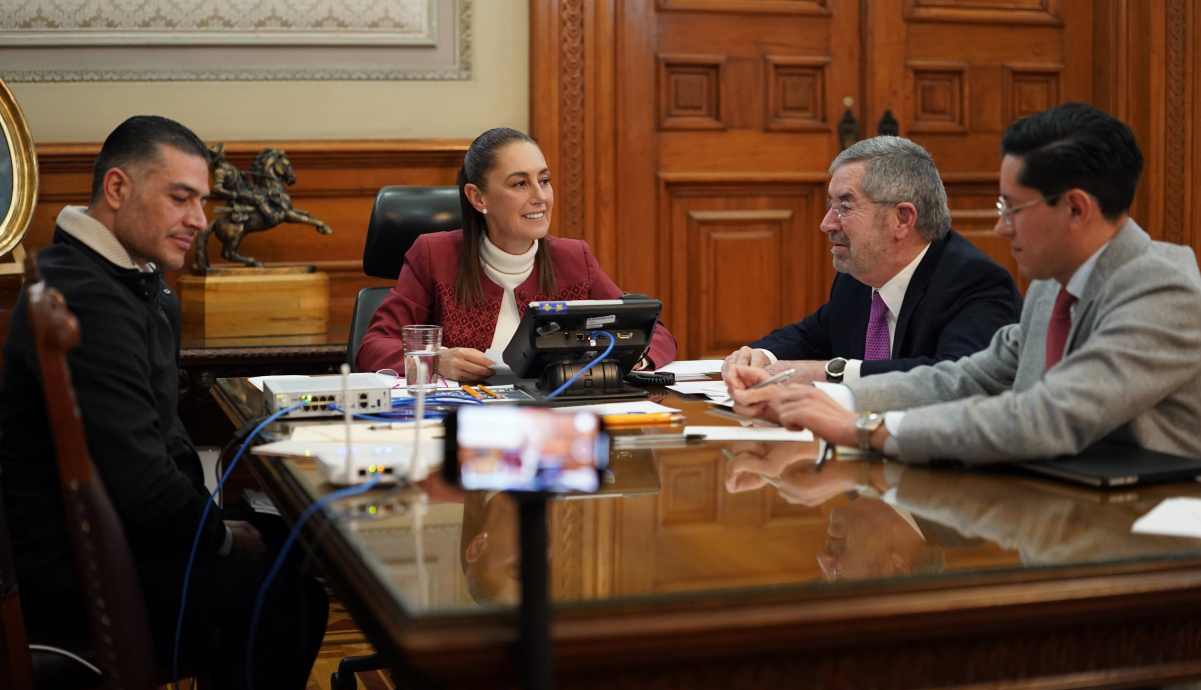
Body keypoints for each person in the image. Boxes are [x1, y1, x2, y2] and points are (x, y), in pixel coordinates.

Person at [0, 116, 326, 690]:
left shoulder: (116, 279)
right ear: (118, 189)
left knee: (288, 552)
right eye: (181, 197)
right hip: (77, 584)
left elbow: (156, 452)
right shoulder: (90, 297)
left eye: (202, 200)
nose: (201, 219)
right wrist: (223, 538)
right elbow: (141, 484)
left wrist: (221, 529)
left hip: (107, 549)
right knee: (285, 594)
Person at [728, 103, 1201, 465]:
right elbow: (968, 377)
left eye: (1013, 210)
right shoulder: (1050, 287)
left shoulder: (1162, 289)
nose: (1001, 229)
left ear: (1076, 209)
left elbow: (1048, 415)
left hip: (1142, 540)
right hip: (1053, 510)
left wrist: (866, 429)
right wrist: (821, 400)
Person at [357, 127, 677, 381]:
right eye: (520, 184)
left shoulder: (573, 258)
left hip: (555, 425)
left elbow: (653, 334)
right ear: (478, 197)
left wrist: (636, 357)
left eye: (544, 180)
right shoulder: (434, 255)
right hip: (463, 425)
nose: (541, 197)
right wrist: (434, 361)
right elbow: (373, 347)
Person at [723, 136, 1020, 385]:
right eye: (831, 206)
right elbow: (811, 335)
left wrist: (830, 373)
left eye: (845, 206)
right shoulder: (858, 278)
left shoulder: (975, 284)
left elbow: (953, 380)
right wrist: (760, 355)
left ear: (902, 218)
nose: (826, 224)